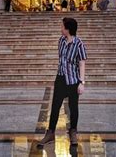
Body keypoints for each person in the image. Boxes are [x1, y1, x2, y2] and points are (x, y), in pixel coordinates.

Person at [38, 17, 87, 147]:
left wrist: (82, 82)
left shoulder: (79, 44)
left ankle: (73, 131)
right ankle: (50, 133)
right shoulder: (61, 41)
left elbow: (82, 63)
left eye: (62, 26)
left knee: (73, 108)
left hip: (73, 80)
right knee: (55, 107)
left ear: (68, 29)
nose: (61, 28)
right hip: (60, 78)